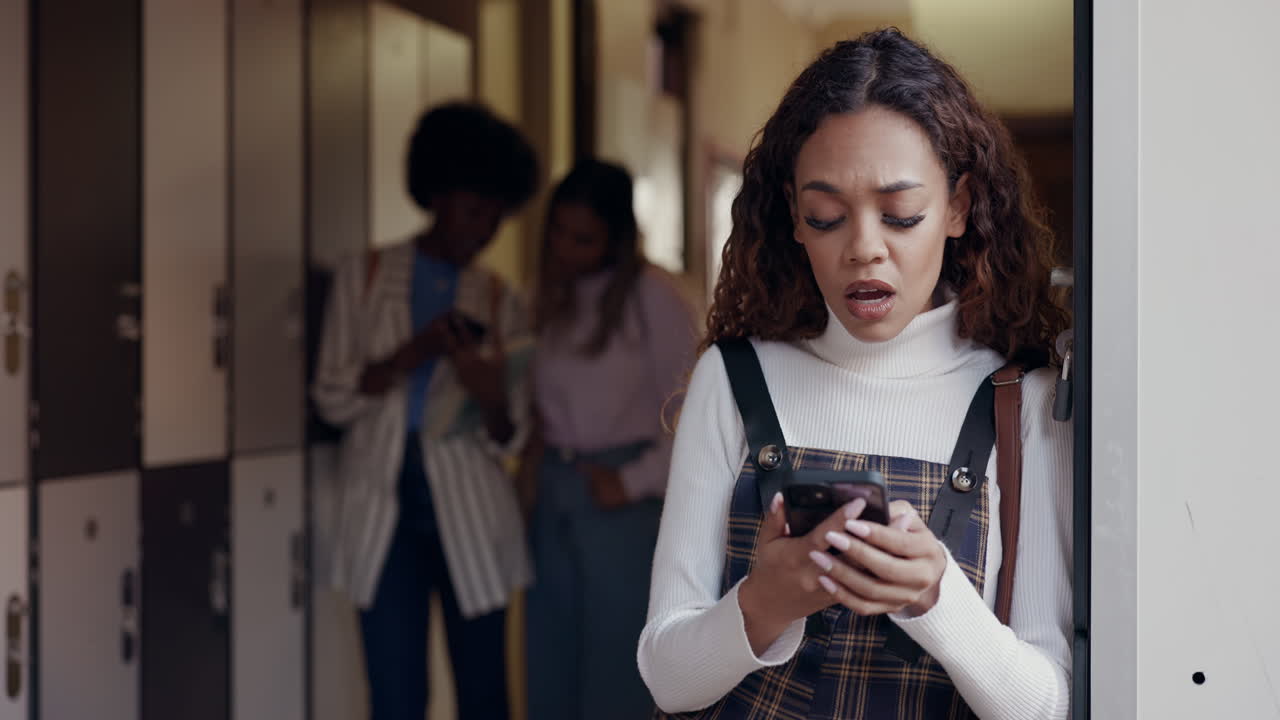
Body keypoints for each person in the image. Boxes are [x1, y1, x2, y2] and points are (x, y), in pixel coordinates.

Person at [638, 29, 1073, 720]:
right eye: (827, 217)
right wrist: (765, 603)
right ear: (794, 216)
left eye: (901, 216)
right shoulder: (734, 378)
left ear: (959, 207)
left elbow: (1047, 704)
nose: (864, 248)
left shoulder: (1022, 403)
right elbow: (667, 677)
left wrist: (936, 599)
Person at [312, 101, 538, 720]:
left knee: (485, 696)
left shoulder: (499, 298)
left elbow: (511, 437)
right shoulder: (364, 276)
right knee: (396, 698)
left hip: (471, 507)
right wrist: (410, 354)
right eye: (472, 211)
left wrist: (487, 391)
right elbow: (331, 397)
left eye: (495, 218)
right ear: (436, 194)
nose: (482, 231)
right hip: (383, 509)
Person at [521, 159, 697, 719]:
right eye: (558, 233)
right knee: (549, 657)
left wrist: (632, 480)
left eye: (584, 239)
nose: (566, 249)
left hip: (624, 496)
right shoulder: (545, 297)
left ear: (617, 239)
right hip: (555, 489)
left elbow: (693, 420)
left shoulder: (656, 300)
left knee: (616, 664)